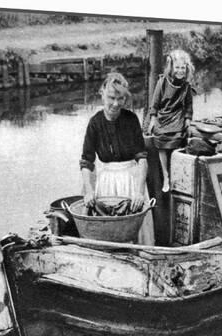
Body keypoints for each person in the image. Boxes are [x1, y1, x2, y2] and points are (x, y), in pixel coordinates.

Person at [80, 73, 155, 245]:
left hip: (130, 180)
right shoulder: (95, 123)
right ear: (102, 94)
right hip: (107, 182)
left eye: (120, 99)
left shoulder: (131, 119)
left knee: (136, 230)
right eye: (111, 98)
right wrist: (89, 190)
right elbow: (87, 161)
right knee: (108, 230)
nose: (115, 104)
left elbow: (142, 158)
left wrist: (139, 191)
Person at [147, 49, 195, 192]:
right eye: (177, 67)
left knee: (178, 139)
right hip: (163, 117)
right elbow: (154, 103)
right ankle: (166, 176)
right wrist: (152, 120)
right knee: (161, 140)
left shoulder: (186, 86)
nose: (180, 71)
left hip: (177, 116)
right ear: (172, 68)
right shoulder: (162, 82)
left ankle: (176, 174)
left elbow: (188, 106)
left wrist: (187, 120)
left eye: (182, 68)